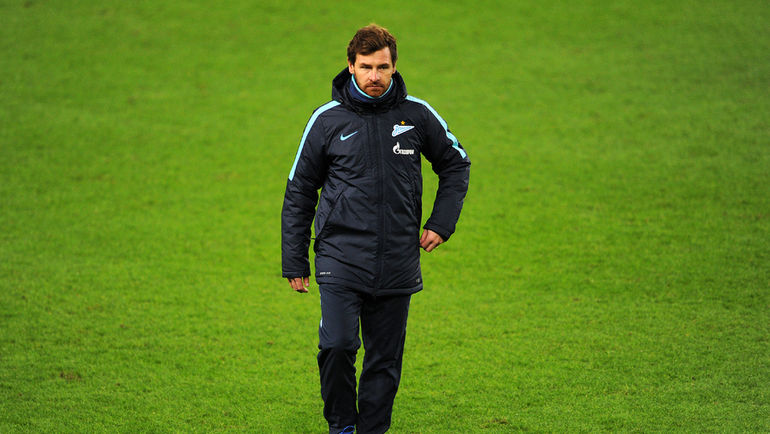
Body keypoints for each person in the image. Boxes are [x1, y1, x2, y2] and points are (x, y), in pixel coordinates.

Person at [281, 24, 470, 434]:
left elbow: (456, 164)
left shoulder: (417, 115)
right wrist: (295, 259)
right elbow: (300, 190)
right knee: (337, 346)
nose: (374, 76)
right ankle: (341, 426)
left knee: (384, 361)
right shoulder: (326, 120)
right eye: (366, 67)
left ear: (394, 66)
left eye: (382, 67)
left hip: (397, 258)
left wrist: (441, 223)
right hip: (340, 255)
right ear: (350, 66)